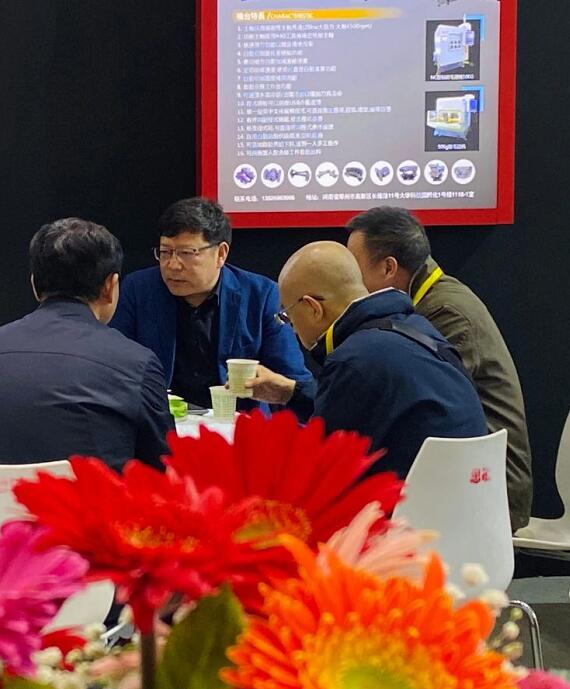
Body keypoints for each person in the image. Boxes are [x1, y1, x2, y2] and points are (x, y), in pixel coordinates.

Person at [345, 206, 532, 530]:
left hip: (488, 487)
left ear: (388, 268)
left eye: (353, 269)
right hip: (463, 477)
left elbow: (410, 401)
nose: (348, 280)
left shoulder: (444, 312)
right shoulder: (433, 301)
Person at [0, 218, 174, 472]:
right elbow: (166, 471)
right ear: (110, 286)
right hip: (87, 498)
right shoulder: (136, 365)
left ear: (34, 285)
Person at [247, 241, 488, 478]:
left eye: (287, 316)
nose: (291, 329)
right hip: (474, 492)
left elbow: (322, 468)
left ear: (313, 308)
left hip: (410, 500)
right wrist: (292, 393)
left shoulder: (354, 358)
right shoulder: (417, 329)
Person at [109, 197, 312, 412]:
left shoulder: (261, 296)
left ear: (221, 253)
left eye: (187, 253)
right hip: (162, 420)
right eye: (165, 252)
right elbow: (114, 365)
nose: (173, 265)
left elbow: (292, 379)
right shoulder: (138, 290)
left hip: (238, 422)